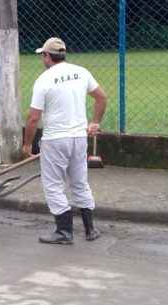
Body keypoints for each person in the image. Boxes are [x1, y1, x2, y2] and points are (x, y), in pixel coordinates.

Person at [22, 37, 108, 245]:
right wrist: (94, 123)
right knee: (79, 182)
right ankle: (90, 230)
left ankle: (64, 232)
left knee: (53, 185)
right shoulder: (81, 72)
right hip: (79, 138)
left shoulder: (44, 80)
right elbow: (101, 98)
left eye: (43, 55)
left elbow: (33, 118)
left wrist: (26, 145)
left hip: (55, 140)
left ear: (47, 56)